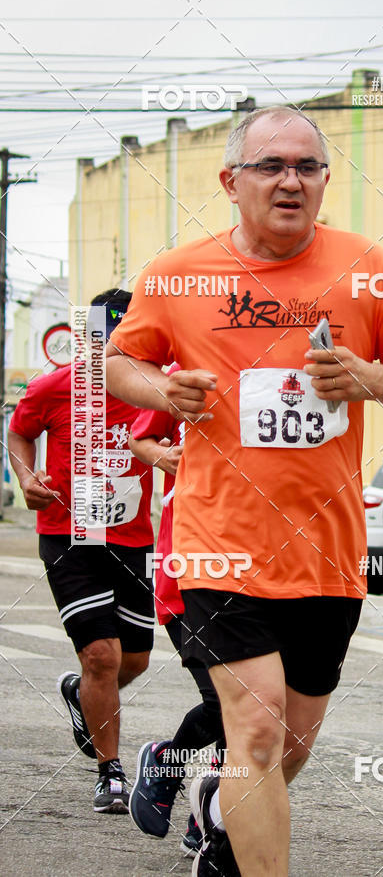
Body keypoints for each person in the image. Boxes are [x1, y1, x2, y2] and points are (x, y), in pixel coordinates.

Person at [105, 106, 383, 876]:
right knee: (253, 734)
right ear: (231, 181)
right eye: (271, 166)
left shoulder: (365, 265)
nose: (291, 180)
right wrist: (163, 391)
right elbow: (120, 364)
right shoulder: (177, 273)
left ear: (324, 181)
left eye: (307, 167)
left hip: (326, 550)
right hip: (217, 543)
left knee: (290, 747)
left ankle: (218, 814)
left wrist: (370, 376)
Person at [7, 289, 155, 814]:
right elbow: (20, 432)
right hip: (69, 534)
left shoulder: (156, 388)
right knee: (102, 655)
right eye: (104, 339)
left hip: (134, 539)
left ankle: (79, 694)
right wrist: (26, 478)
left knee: (132, 659)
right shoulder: (56, 387)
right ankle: (110, 772)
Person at [127, 367, 225, 856]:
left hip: (271, 571)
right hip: (191, 568)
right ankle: (188, 787)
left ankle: (206, 811)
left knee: (260, 711)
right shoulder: (184, 370)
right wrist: (170, 457)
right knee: (231, 703)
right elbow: (141, 438)